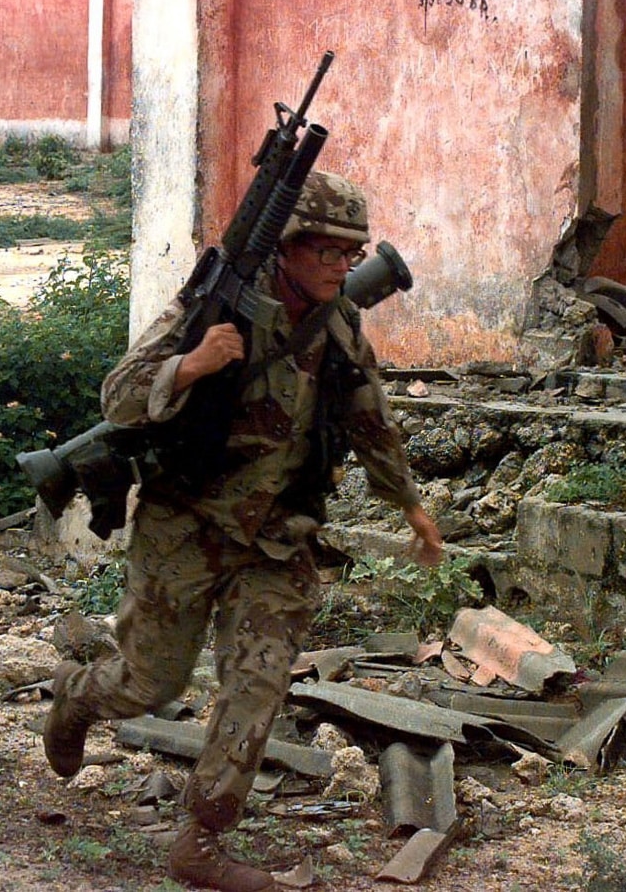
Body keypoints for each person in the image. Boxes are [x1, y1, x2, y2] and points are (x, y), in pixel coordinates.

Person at [43, 171, 444, 892]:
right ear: (289, 246)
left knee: (256, 684)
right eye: (326, 249)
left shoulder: (340, 321)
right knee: (149, 683)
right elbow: (120, 394)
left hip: (275, 537)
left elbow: (369, 418)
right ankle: (77, 695)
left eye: (350, 253)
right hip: (185, 526)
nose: (340, 264)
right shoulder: (219, 307)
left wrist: (409, 507)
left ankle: (200, 837)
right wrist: (192, 364)